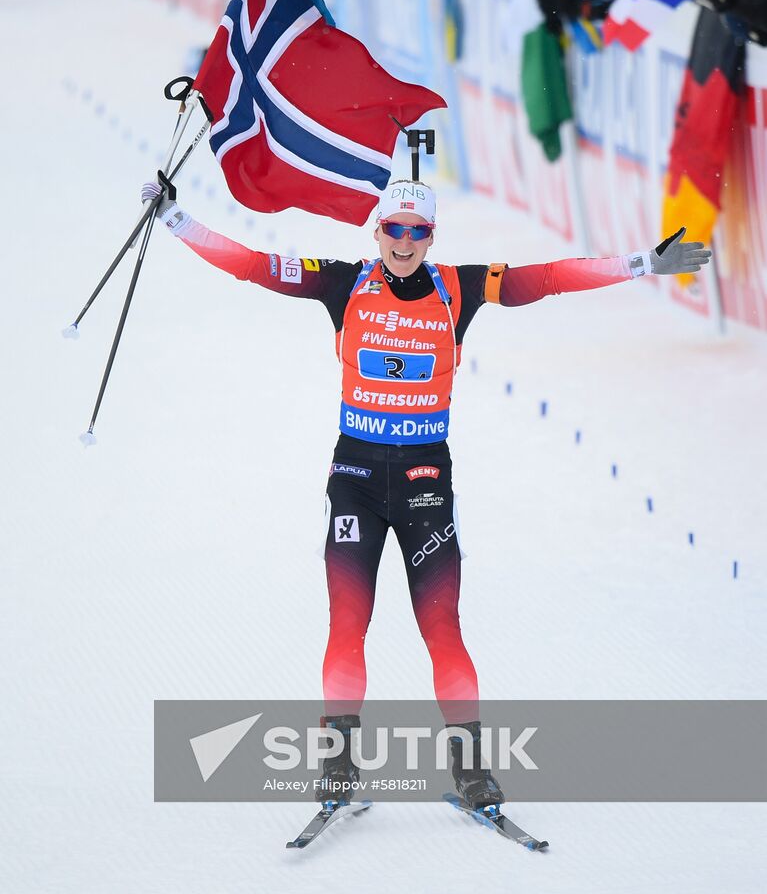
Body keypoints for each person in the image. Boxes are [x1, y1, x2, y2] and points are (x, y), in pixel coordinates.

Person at [142, 176, 711, 809]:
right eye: (394, 229)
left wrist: (642, 264)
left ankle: (471, 772)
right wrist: (174, 219)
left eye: (418, 231)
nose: (404, 242)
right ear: (376, 230)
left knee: (442, 626)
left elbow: (549, 277)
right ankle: (337, 768)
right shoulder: (340, 282)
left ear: (431, 236)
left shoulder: (459, 288)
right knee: (348, 624)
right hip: (355, 482)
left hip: (424, 486)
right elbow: (251, 266)